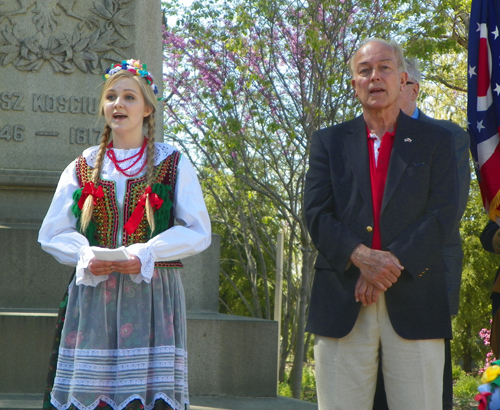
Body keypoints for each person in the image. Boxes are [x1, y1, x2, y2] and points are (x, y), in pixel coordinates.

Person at [38, 59, 211, 410]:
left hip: (151, 295)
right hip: (94, 295)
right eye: (112, 96)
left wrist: (147, 252)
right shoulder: (83, 165)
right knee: (93, 394)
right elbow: (52, 231)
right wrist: (84, 255)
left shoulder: (172, 162)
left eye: (130, 97)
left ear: (147, 109)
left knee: (145, 396)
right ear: (103, 106)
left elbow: (198, 230)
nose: (119, 104)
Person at [305, 38, 459, 410]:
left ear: (402, 78)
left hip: (416, 298)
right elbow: (316, 212)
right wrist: (361, 257)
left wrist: (388, 264)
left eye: (385, 67)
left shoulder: (438, 141)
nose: (375, 77)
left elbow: (444, 212)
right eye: (365, 70)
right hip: (343, 300)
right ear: (354, 83)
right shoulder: (328, 142)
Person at [372, 57, 470, 410]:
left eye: (389, 80)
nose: (378, 88)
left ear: (411, 87)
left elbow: (448, 208)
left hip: (426, 277)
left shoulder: (448, 137)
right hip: (366, 284)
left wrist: (390, 261)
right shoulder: (363, 140)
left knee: (426, 394)